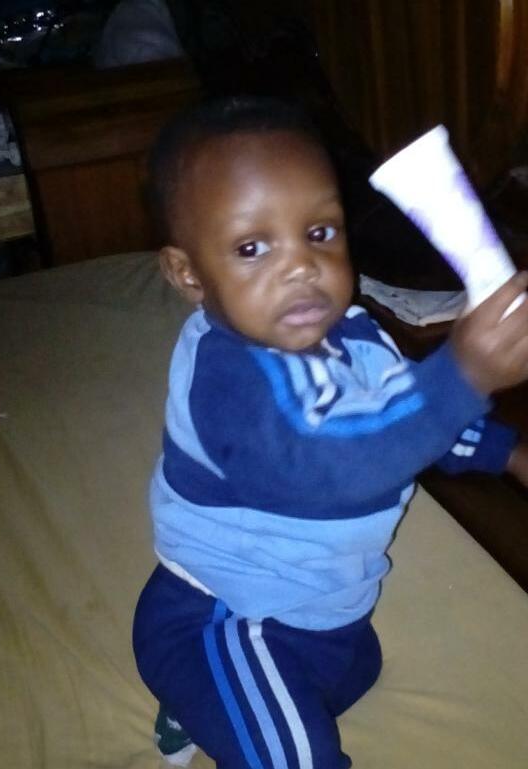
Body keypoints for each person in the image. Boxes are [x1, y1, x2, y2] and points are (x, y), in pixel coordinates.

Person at [132, 96, 528, 769]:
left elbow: (396, 415)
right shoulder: (229, 379)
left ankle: (212, 706)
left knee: (356, 668)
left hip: (321, 609)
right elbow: (334, 467)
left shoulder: (354, 331)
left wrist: (507, 451)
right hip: (229, 614)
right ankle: (197, 690)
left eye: (319, 232)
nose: (301, 266)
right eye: (252, 248)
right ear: (188, 273)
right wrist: (461, 374)